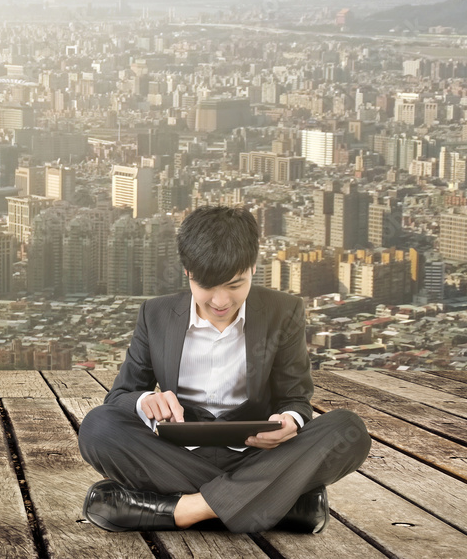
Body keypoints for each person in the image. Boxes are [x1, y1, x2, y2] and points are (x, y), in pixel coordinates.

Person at [78, 205, 371, 534]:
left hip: (258, 456)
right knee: (97, 427)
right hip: (175, 456)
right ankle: (281, 502)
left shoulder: (283, 311)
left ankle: (185, 509)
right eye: (208, 286)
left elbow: (296, 398)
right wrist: (144, 400)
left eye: (235, 285)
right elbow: (118, 397)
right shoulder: (156, 315)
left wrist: (290, 420)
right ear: (187, 271)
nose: (220, 301)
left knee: (349, 430)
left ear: (253, 268)